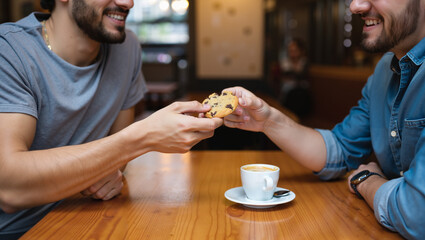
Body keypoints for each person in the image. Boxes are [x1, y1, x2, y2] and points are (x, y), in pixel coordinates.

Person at [0, 0, 222, 238]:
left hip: (87, 220)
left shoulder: (127, 48)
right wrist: (143, 137)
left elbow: (117, 158)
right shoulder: (10, 50)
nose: (128, 2)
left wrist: (111, 170)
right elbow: (9, 188)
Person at [223, 0, 425, 239]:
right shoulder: (383, 70)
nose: (355, 6)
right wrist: (268, 121)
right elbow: (339, 150)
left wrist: (367, 181)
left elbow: (417, 214)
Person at [279, 38, 311, 117]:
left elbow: (301, 75)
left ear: (301, 51)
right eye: (290, 51)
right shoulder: (285, 62)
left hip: (302, 93)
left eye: (295, 51)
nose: (292, 54)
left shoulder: (304, 62)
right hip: (287, 94)